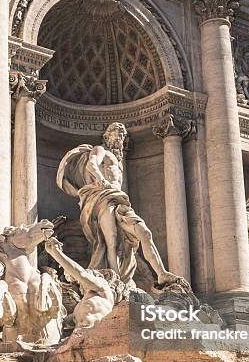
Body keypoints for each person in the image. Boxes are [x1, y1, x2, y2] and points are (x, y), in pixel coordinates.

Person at [57, 122, 177, 287]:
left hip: (120, 201)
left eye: (122, 135)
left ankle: (162, 273)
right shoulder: (100, 150)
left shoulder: (119, 160)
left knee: (144, 232)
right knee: (111, 241)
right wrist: (101, 179)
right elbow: (92, 164)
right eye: (116, 133)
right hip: (103, 197)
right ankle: (117, 283)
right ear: (106, 137)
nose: (119, 137)